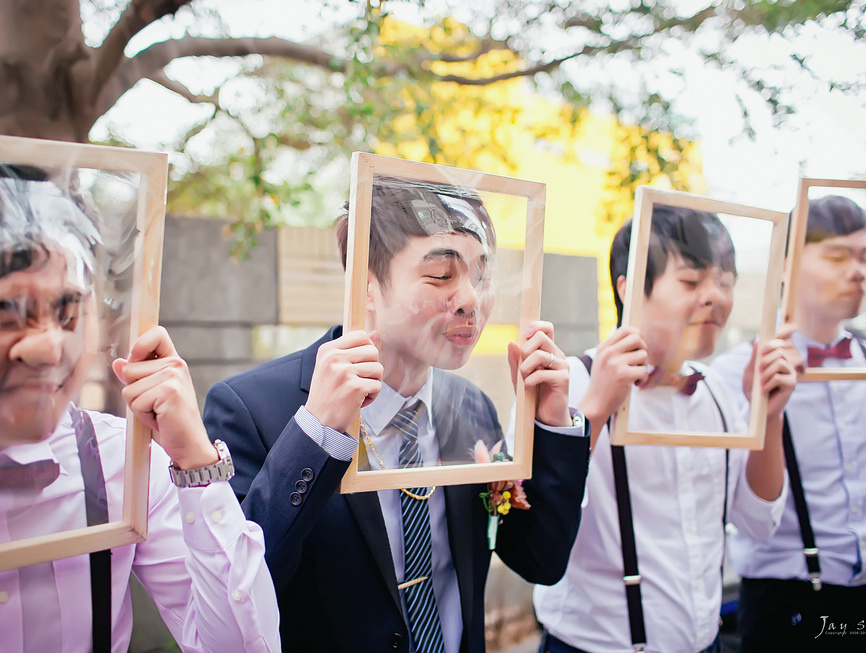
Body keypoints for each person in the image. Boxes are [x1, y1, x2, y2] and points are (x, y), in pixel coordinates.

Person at [203, 177, 591, 653]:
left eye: (481, 277)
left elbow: (542, 561)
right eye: (441, 276)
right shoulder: (251, 409)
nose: (471, 299)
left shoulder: (472, 407)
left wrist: (552, 422)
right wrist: (316, 431)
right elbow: (236, 595)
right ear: (365, 285)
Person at [0, 165, 280, 653]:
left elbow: (242, 647)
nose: (47, 348)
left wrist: (196, 462)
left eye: (68, 312)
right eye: (6, 312)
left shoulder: (117, 457)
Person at [534, 205, 796, 653]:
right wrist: (596, 409)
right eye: (693, 281)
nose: (715, 296)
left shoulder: (716, 392)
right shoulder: (567, 384)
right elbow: (535, 531)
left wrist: (768, 417)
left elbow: (758, 522)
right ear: (630, 287)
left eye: (725, 281)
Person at [711, 195, 866, 652]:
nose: (858, 271)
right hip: (787, 611)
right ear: (785, 266)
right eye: (837, 256)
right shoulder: (733, 376)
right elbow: (731, 513)